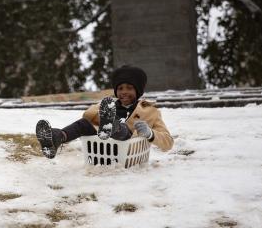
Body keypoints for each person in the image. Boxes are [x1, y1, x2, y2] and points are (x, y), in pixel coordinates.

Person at [35, 65, 173, 159]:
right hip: (101, 150)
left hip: (126, 149)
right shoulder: (108, 104)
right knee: (83, 124)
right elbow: (87, 115)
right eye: (120, 88)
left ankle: (114, 126)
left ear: (138, 91)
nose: (124, 92)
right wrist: (102, 116)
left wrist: (150, 133)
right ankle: (56, 137)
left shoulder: (150, 111)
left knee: (122, 129)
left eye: (129, 88)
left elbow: (168, 143)